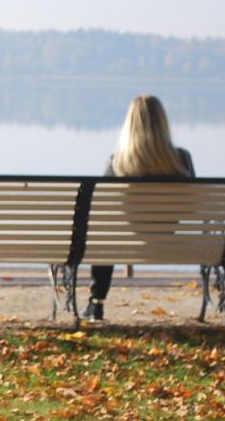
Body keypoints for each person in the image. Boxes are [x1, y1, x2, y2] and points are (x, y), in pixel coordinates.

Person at [83, 95, 195, 321]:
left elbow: (104, 212)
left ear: (129, 124)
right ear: (163, 122)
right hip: (170, 241)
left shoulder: (117, 162)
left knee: (104, 236)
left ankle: (97, 302)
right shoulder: (181, 158)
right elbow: (192, 206)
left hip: (127, 242)